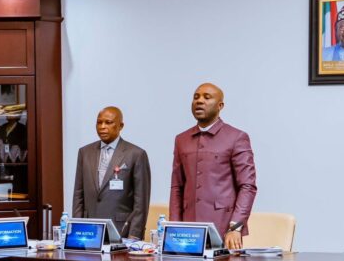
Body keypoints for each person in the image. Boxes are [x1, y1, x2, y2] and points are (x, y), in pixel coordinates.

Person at [170, 83, 257, 250]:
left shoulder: (237, 137)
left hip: (223, 229)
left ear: (220, 106)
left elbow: (248, 186)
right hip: (188, 232)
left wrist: (235, 227)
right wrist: (173, 226)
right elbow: (177, 186)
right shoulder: (181, 139)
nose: (199, 101)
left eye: (206, 97)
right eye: (196, 97)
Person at [72, 107, 151, 239]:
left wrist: (135, 235)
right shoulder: (84, 153)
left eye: (108, 123)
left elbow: (141, 201)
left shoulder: (136, 154)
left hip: (121, 230)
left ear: (121, 126)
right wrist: (76, 227)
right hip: (89, 230)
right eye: (99, 122)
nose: (102, 127)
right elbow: (78, 195)